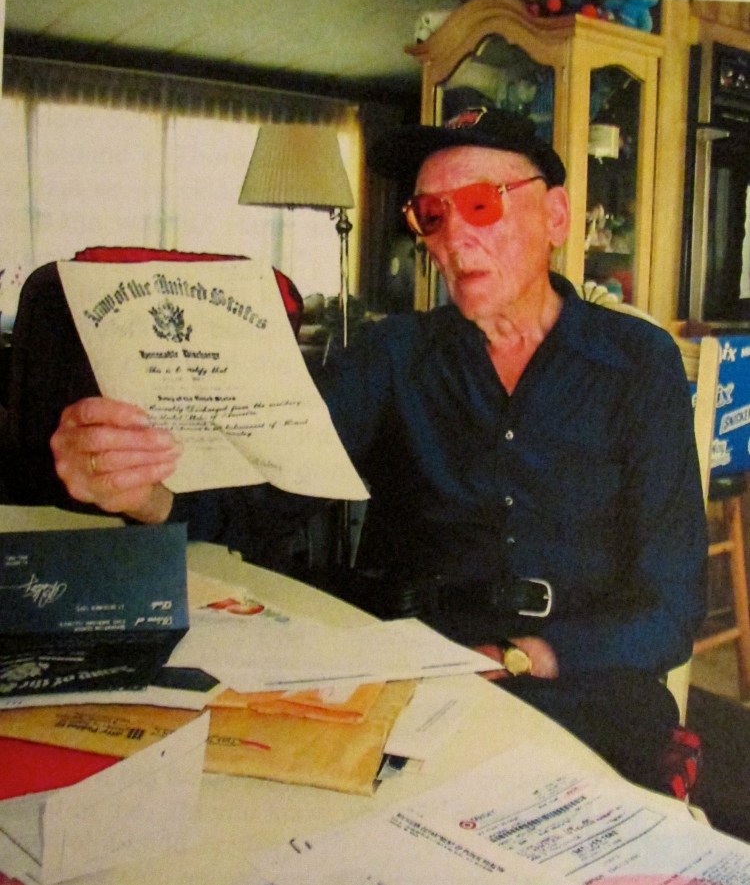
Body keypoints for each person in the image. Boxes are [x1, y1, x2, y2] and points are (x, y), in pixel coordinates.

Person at [46, 107, 706, 791]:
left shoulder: (636, 362)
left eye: (482, 205)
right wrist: (143, 490)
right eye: (432, 215)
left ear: (558, 217)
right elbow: (263, 500)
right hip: (416, 676)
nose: (455, 238)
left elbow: (672, 609)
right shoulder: (393, 355)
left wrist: (522, 654)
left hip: (586, 687)